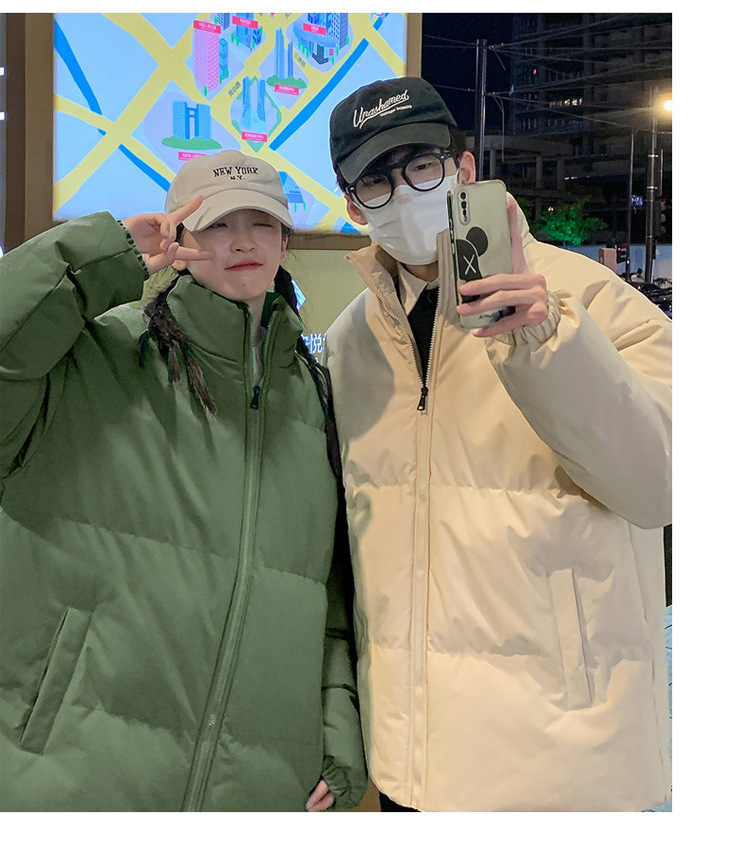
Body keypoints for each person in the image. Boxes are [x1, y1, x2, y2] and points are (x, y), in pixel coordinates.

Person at [324, 77, 672, 812]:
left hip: (560, 761)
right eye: (377, 182)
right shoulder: (350, 339)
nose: (404, 193)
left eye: (422, 166)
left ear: (466, 169)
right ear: (354, 206)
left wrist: (548, 342)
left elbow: (660, 488)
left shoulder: (592, 299)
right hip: (409, 760)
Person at [0, 150, 367, 812]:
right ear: (178, 238)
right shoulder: (97, 356)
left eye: (263, 222)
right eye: (219, 224)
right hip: (71, 775)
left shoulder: (316, 400)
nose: (244, 242)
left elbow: (331, 602)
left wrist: (335, 741)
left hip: (252, 791)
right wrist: (99, 258)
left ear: (285, 240)